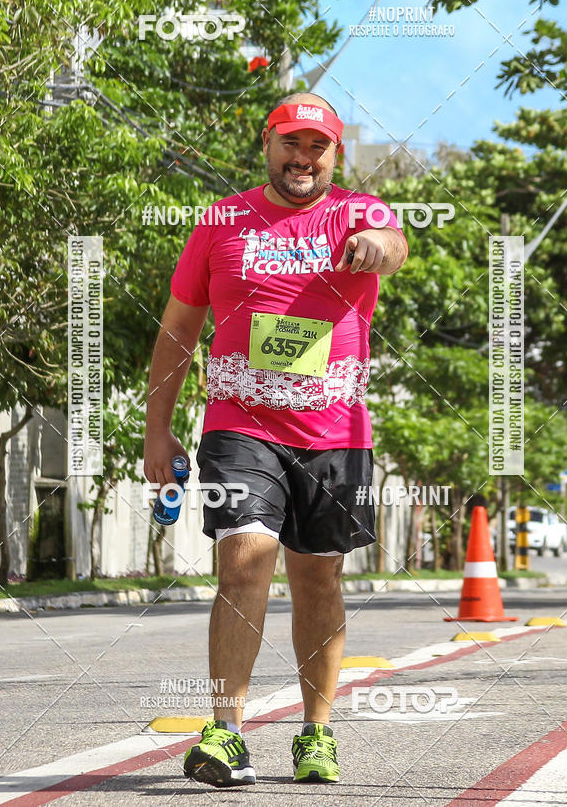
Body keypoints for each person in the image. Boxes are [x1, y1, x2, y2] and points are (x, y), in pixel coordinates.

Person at [143, 91, 408, 788]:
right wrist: (158, 430)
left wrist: (374, 248)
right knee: (245, 559)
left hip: (334, 430)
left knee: (318, 575)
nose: (303, 157)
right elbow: (178, 329)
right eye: (291, 142)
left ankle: (315, 734)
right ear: (269, 144)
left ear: (334, 154)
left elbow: (394, 246)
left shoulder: (360, 210)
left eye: (317, 146)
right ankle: (224, 732)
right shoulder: (222, 220)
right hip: (239, 420)